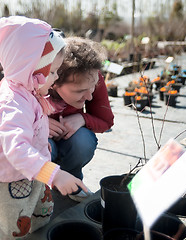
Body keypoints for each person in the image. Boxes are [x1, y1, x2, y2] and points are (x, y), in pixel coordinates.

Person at [0, 16, 88, 239]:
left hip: (34, 172)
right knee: (14, 229)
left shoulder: (27, 90)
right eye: (52, 72)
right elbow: (17, 150)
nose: (56, 77)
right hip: (7, 182)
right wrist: (55, 175)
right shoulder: (12, 104)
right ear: (29, 68)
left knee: (39, 217)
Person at [48, 36, 114, 202]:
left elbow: (106, 121)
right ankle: (38, 190)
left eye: (92, 88)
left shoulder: (91, 76)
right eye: (80, 91)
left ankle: (72, 180)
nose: (90, 96)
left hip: (69, 142)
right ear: (54, 81)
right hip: (41, 145)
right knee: (43, 146)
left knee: (83, 141)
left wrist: (83, 118)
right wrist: (35, 123)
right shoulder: (33, 78)